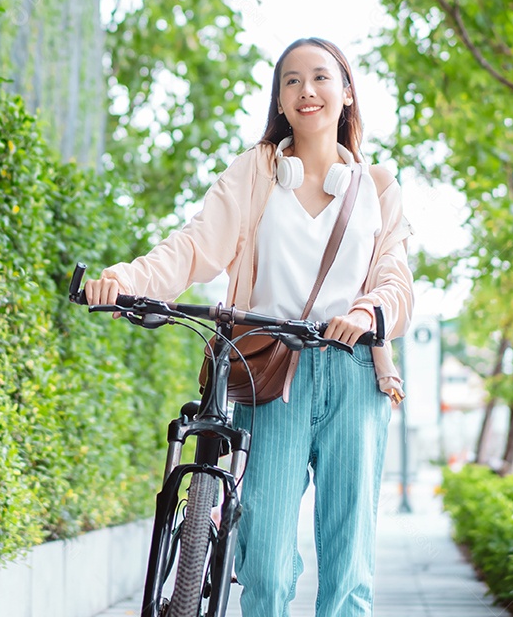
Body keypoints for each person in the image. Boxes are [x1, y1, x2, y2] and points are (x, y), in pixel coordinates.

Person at [83, 37, 413, 617]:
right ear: (280, 101)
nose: (306, 90)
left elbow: (395, 278)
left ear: (347, 91)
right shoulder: (257, 171)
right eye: (291, 81)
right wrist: (124, 278)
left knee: (349, 563)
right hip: (272, 370)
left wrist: (365, 313)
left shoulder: (378, 187)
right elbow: (192, 246)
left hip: (354, 371)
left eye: (320, 77)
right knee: (262, 561)